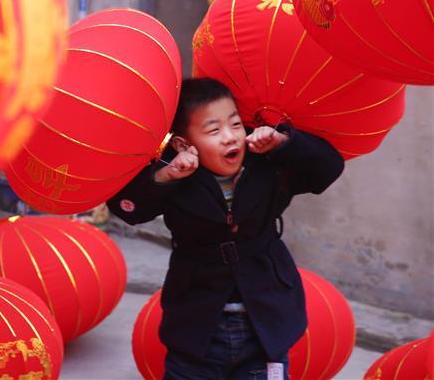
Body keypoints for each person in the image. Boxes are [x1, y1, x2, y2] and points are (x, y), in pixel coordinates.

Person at [107, 78, 344, 380]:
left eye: (234, 124)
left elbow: (328, 169)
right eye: (213, 130)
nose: (230, 137)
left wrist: (284, 142)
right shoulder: (177, 174)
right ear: (183, 143)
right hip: (198, 329)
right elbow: (128, 207)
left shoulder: (267, 163)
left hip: (265, 326)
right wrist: (168, 175)